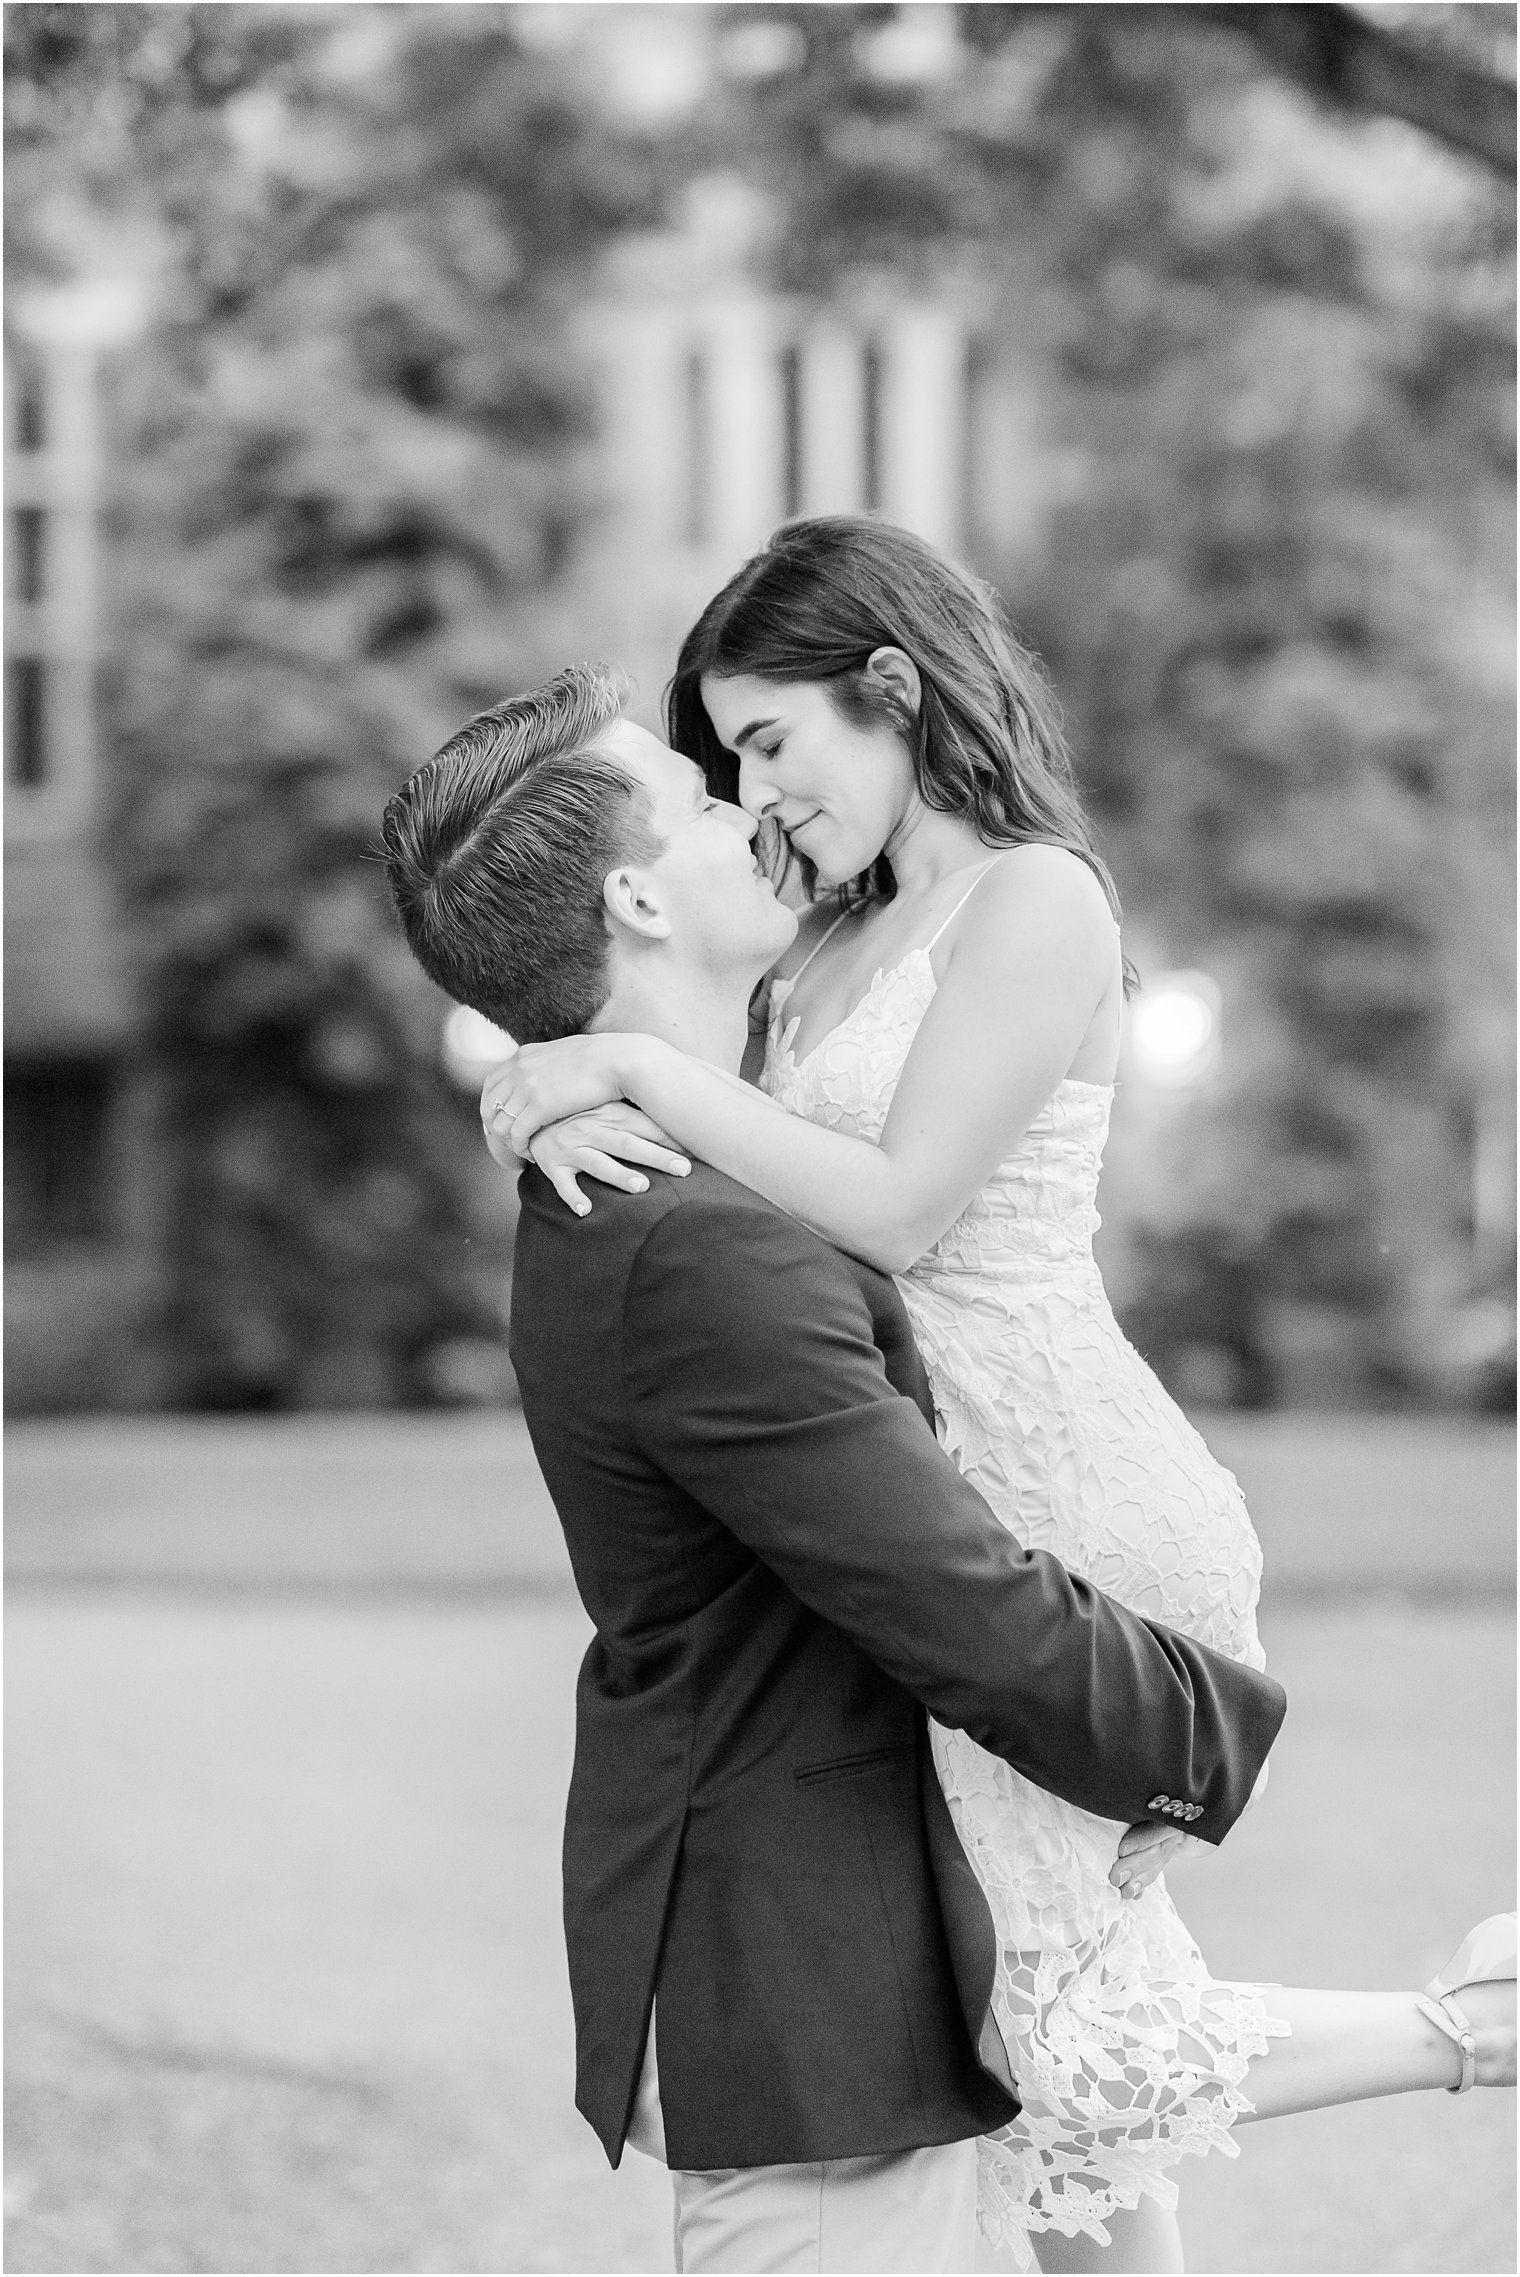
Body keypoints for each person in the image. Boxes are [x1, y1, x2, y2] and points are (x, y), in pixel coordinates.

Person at [474, 525, 1516, 2276]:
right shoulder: (825, 939)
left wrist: (634, 1066)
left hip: (1061, 1490)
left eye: (772, 740)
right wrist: (546, 1086)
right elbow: (694, 1091)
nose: (758, 792)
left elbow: (889, 1206)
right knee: (1048, 2083)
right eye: (726, 759)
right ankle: (1481, 2016)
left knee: (1037, 2037)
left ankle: (1478, 2025)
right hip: (937, 1469)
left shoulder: (1038, 898)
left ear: (892, 688)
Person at [381, 663, 1290, 2276]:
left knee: (1108, 2170)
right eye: (696, 791)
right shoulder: (698, 1245)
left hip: (816, 1979)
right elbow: (964, 1609)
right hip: (800, 2018)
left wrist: (549, 1090)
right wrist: (1212, 1735)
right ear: (640, 893)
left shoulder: (659, 1170)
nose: (741, 807)